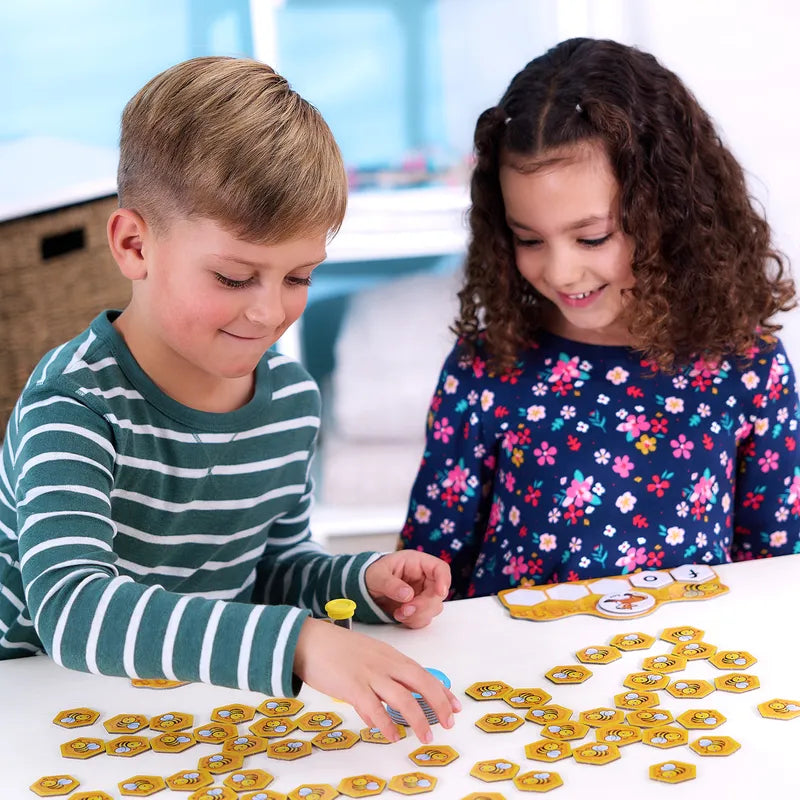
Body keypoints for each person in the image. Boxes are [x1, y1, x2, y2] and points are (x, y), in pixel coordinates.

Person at [0, 56, 460, 743]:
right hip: (43, 721)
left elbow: (270, 571)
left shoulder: (290, 402)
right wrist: (302, 644)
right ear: (133, 244)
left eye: (299, 276)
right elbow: (73, 608)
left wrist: (361, 583)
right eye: (234, 276)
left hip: (190, 716)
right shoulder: (72, 406)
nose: (270, 312)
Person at [398, 38, 800, 599]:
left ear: (669, 213)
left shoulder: (747, 365)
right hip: (518, 678)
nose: (562, 272)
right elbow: (426, 570)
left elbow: (777, 565)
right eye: (528, 239)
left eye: (592, 237)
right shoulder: (487, 369)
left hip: (687, 679)